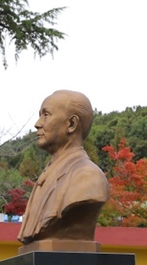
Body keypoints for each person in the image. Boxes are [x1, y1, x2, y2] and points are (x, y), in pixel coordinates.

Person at [17, 89, 110, 245]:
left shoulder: (88, 177)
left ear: (71, 124)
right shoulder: (46, 177)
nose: (37, 124)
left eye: (46, 115)